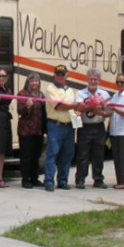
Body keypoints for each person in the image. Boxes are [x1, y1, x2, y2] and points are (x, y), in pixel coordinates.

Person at [74, 68, 111, 189]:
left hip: (99, 126)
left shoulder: (104, 95)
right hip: (85, 127)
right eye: (91, 79)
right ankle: (80, 179)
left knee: (98, 155)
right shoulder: (81, 93)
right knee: (82, 155)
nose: (93, 81)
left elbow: (109, 112)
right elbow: (79, 108)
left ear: (99, 80)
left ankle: (98, 179)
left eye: (95, 79)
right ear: (87, 79)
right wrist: (91, 106)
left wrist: (101, 111)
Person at [43, 64, 77, 192]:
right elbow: (59, 106)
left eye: (63, 74)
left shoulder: (70, 90)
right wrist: (75, 105)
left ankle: (62, 181)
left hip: (69, 126)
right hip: (55, 126)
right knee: (52, 154)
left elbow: (70, 107)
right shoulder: (50, 89)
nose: (60, 76)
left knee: (67, 155)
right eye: (58, 74)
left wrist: (77, 110)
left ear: (67, 75)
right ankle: (49, 181)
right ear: (54, 75)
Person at [17, 73, 46, 189]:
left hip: (38, 130)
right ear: (28, 82)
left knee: (36, 156)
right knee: (26, 156)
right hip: (26, 131)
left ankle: (34, 178)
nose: (34, 83)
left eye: (36, 81)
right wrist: (27, 106)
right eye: (32, 81)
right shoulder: (22, 94)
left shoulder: (41, 95)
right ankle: (25, 179)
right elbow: (20, 111)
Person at [107, 73, 124, 189]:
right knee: (117, 158)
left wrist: (113, 108)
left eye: (122, 82)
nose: (119, 84)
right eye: (117, 82)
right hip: (115, 131)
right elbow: (110, 112)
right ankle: (120, 180)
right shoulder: (115, 95)